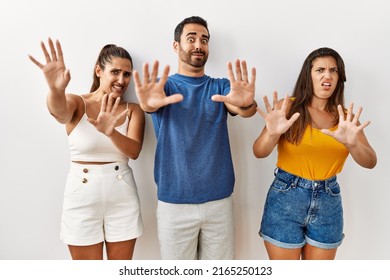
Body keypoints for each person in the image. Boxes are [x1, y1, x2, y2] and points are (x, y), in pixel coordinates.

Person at [133, 16, 257, 260]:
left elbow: (242, 109)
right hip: (173, 204)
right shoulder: (162, 88)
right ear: (176, 46)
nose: (199, 45)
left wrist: (246, 104)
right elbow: (149, 104)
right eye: (191, 39)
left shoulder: (221, 86)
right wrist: (147, 105)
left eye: (204, 40)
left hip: (218, 203)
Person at [253, 47, 377, 260]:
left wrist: (353, 144)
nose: (327, 75)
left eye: (333, 70)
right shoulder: (287, 108)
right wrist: (272, 134)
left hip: (328, 200)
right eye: (320, 70)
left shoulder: (346, 119)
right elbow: (259, 151)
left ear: (339, 78)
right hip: (286, 198)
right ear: (308, 76)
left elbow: (370, 161)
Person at [29, 39, 145, 260]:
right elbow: (59, 112)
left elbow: (134, 151)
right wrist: (55, 90)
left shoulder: (133, 110)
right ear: (99, 71)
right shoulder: (77, 102)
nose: (122, 80)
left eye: (127, 74)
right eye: (116, 72)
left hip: (122, 195)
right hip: (82, 196)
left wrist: (111, 131)